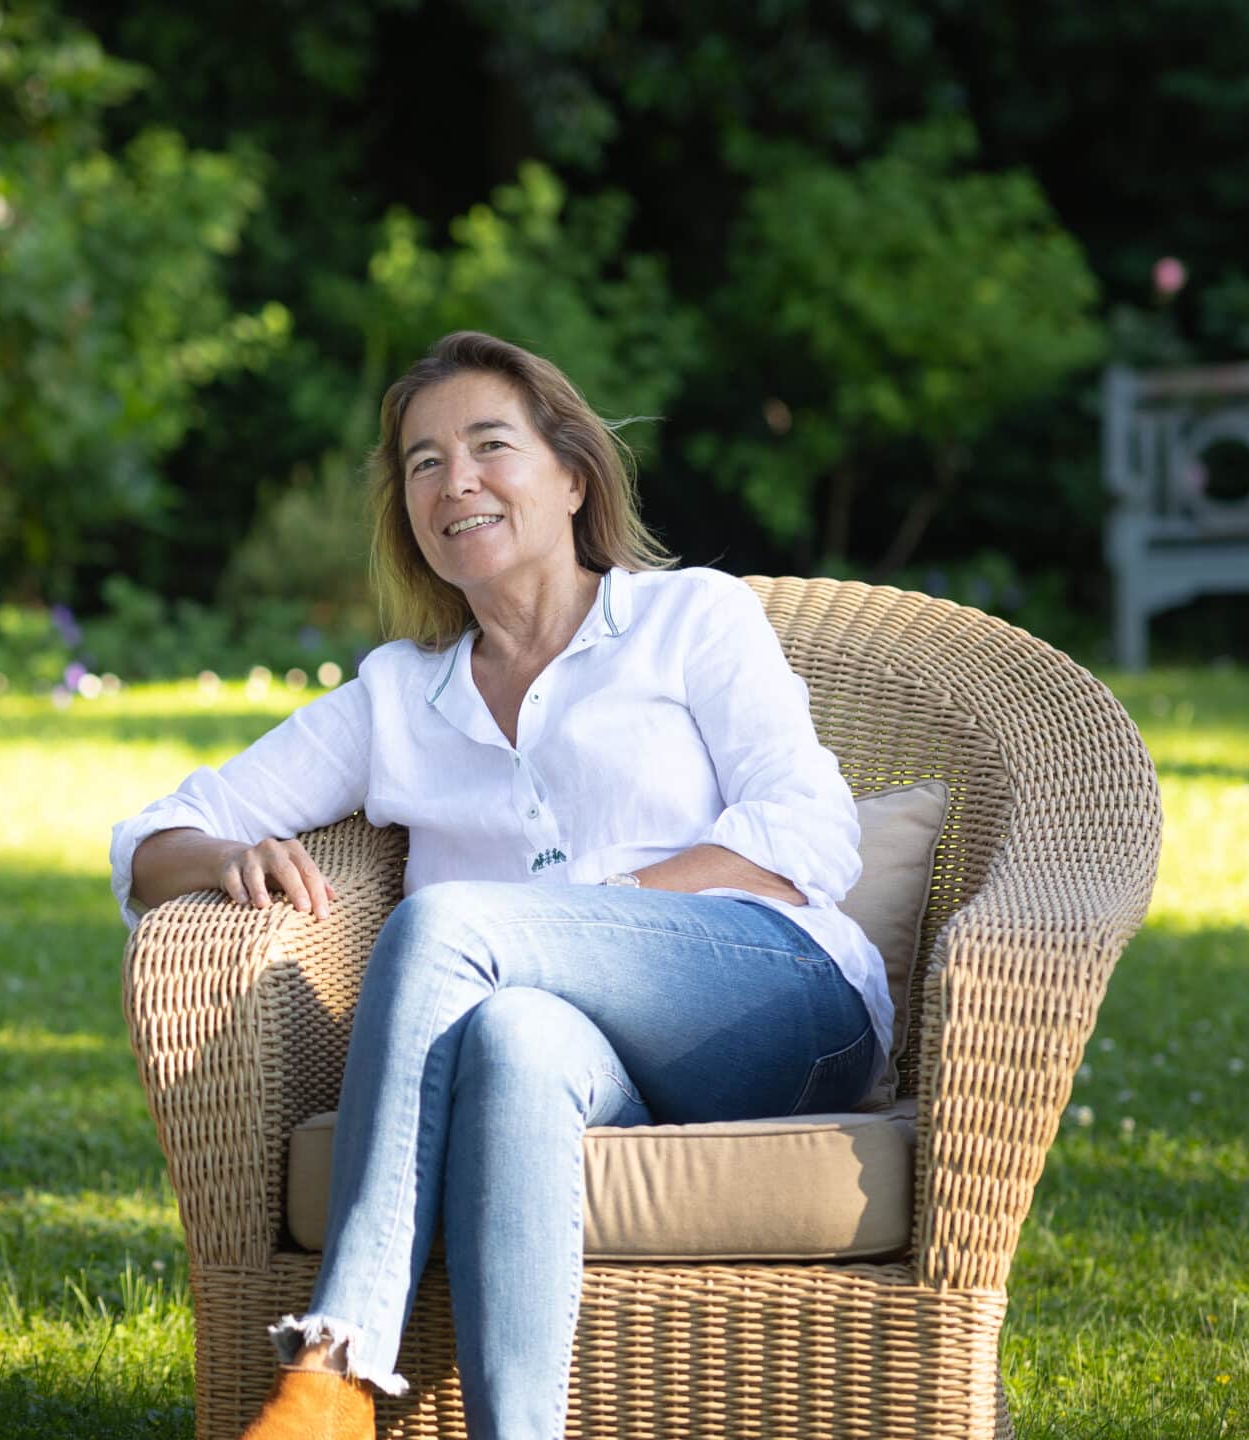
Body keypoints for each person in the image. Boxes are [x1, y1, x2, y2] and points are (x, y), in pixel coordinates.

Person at [112, 332, 889, 1440]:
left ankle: (334, 1367)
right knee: (514, 1038)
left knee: (457, 928)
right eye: (423, 463)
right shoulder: (394, 697)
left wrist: (572, 916)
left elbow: (810, 833)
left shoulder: (688, 620)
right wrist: (219, 859)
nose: (454, 481)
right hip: (582, 1055)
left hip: (780, 1005)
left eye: (488, 446)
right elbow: (150, 837)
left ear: (572, 476)